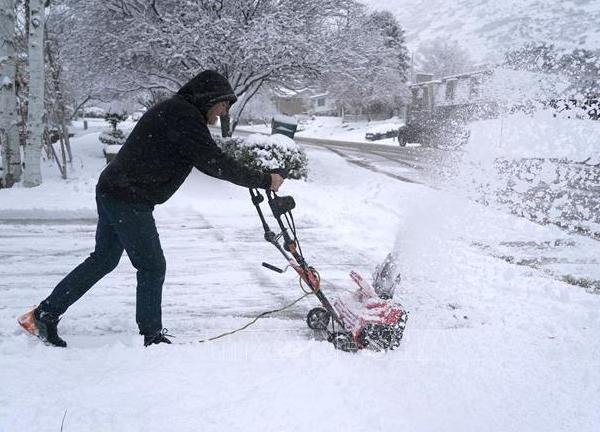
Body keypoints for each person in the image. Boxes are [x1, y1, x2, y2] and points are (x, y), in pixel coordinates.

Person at [18, 70, 284, 347]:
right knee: (152, 266)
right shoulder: (184, 116)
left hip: (115, 189)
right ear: (210, 98)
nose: (224, 112)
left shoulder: (179, 111)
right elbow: (215, 162)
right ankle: (151, 336)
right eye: (224, 105)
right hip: (127, 197)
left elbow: (212, 159)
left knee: (104, 260)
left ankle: (43, 315)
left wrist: (258, 177)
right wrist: (265, 180)